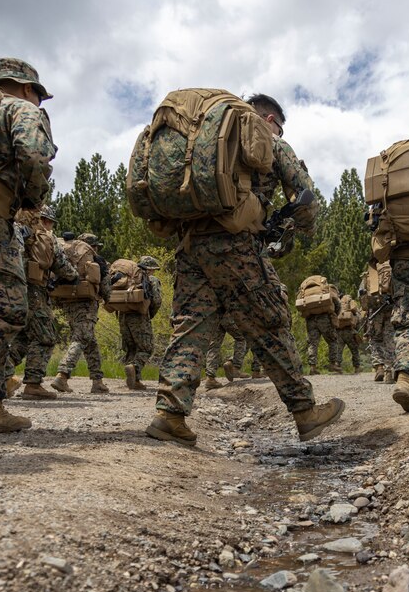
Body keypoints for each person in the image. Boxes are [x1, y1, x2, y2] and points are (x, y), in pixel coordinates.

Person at [146, 92, 344, 445]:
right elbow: (304, 196)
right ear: (269, 121)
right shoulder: (266, 140)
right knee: (270, 321)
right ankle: (305, 412)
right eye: (279, 128)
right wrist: (302, 229)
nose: (278, 135)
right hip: (237, 245)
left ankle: (170, 415)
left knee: (190, 326)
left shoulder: (202, 140)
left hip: (190, 246)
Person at [0, 57, 56, 433]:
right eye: (39, 96)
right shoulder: (20, 108)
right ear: (27, 89)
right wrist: (31, 199)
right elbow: (35, 157)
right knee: (5, 310)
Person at [5, 204, 78, 399]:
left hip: (6, 289)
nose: (50, 226)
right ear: (45, 220)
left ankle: (2, 378)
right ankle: (33, 384)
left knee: (22, 337)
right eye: (50, 222)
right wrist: (74, 276)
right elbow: (62, 265)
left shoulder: (9, 228)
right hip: (33, 291)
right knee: (45, 336)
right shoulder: (45, 236)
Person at [52, 233, 112, 394]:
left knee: (89, 340)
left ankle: (97, 381)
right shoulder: (96, 259)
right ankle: (62, 375)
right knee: (81, 338)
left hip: (66, 300)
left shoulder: (65, 252)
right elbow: (105, 283)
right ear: (94, 246)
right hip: (86, 303)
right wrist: (108, 299)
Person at [119, 255, 162, 390]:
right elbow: (156, 300)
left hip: (123, 316)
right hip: (139, 316)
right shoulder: (152, 280)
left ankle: (134, 380)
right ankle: (135, 368)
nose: (154, 272)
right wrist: (150, 314)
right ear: (149, 269)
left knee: (131, 348)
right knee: (146, 348)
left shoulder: (127, 278)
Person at [205, 316, 250, 389]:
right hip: (226, 314)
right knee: (242, 338)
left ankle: (210, 378)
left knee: (214, 345)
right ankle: (235, 367)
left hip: (214, 315)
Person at [335, 293, 362, 373]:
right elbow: (356, 314)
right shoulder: (349, 300)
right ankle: (357, 367)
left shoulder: (336, 302)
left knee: (338, 349)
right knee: (354, 349)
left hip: (338, 331)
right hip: (349, 330)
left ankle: (337, 366)